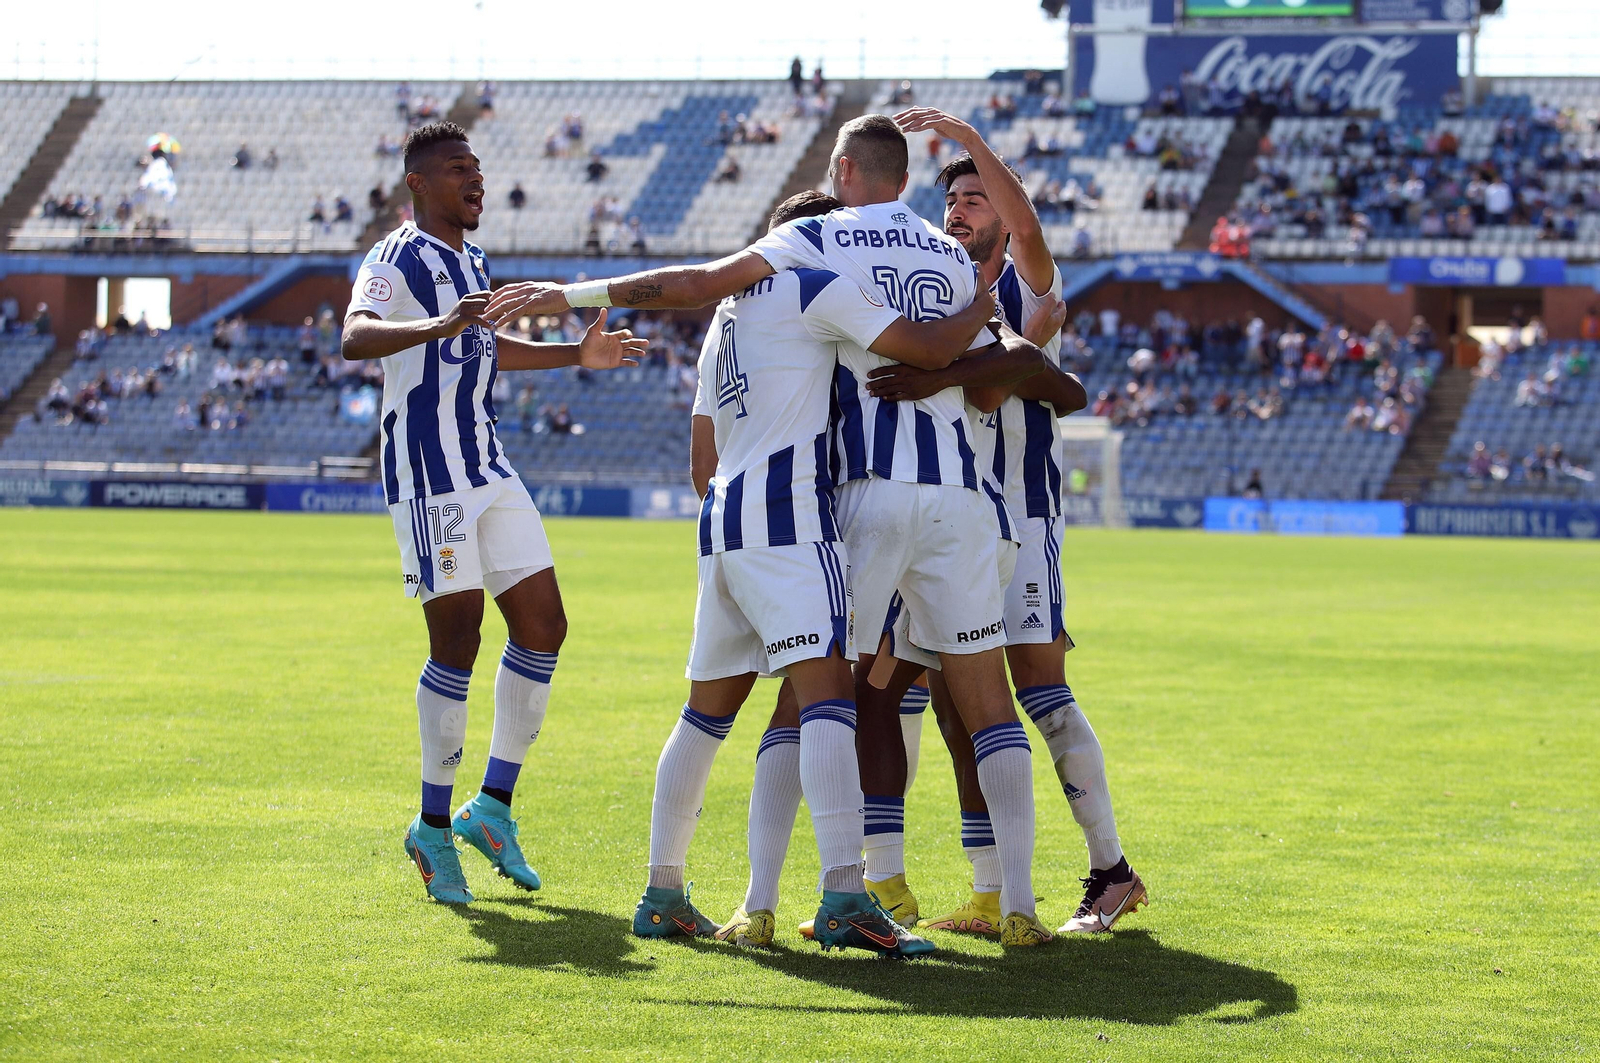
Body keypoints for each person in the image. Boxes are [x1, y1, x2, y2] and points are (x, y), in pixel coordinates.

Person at [484, 114, 1057, 946]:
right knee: (929, 703)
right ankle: (971, 901)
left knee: (731, 711)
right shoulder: (928, 258)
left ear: (841, 170)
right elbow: (961, 359)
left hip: (759, 514)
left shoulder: (767, 287)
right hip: (907, 502)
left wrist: (571, 294)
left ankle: (711, 896)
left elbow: (695, 308)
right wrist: (979, 304)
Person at [659, 190, 992, 958]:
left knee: (709, 714)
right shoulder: (815, 285)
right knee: (824, 701)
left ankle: (676, 891)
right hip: (801, 516)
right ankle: (848, 893)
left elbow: (700, 457)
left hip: (723, 525)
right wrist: (980, 292)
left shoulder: (724, 322)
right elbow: (929, 350)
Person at [340, 121, 647, 906]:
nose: (474, 178)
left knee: (544, 625)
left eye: (477, 167)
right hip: (430, 474)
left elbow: (486, 348)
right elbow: (355, 336)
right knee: (460, 638)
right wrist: (439, 324)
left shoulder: (472, 259)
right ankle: (432, 827)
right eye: (456, 169)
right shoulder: (397, 254)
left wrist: (575, 356)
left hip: (488, 463)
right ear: (418, 183)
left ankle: (493, 807)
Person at [879, 110, 1141, 938]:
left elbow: (1023, 229)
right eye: (951, 198)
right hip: (945, 519)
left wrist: (965, 138)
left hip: (1020, 515)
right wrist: (1020, 354)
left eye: (974, 197)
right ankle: (981, 890)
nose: (961, 208)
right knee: (936, 699)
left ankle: (1111, 869)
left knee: (1038, 689)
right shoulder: (938, 289)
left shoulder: (1028, 285)